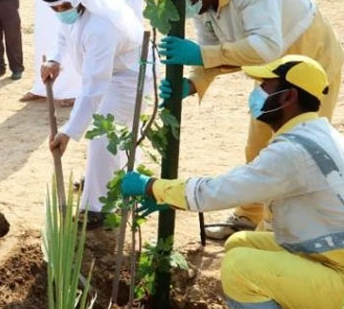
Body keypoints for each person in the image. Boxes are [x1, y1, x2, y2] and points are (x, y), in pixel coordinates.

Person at [122, 55, 344, 309]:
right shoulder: (317, 133)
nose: (256, 93)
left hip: (337, 272)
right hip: (330, 254)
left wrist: (151, 186)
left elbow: (222, 191)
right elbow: (246, 183)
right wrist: (171, 199)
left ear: (288, 97)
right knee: (240, 243)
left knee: (240, 269)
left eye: (265, 86)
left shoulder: (293, 151)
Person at [158, 0, 343, 239]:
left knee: (297, 147)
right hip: (271, 70)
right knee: (257, 145)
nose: (190, 12)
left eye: (186, 1)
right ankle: (249, 216)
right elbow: (210, 52)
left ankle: (281, 228)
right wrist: (193, 83)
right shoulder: (201, 4)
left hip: (311, 58)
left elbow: (265, 46)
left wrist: (202, 55)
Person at [40, 0, 145, 229]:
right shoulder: (71, 12)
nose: (59, 13)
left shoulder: (101, 25)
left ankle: (99, 209)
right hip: (106, 74)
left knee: (103, 137)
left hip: (128, 78)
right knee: (107, 139)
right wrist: (54, 60)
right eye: (55, 9)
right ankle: (103, 182)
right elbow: (63, 36)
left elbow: (93, 87)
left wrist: (68, 131)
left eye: (64, 7)